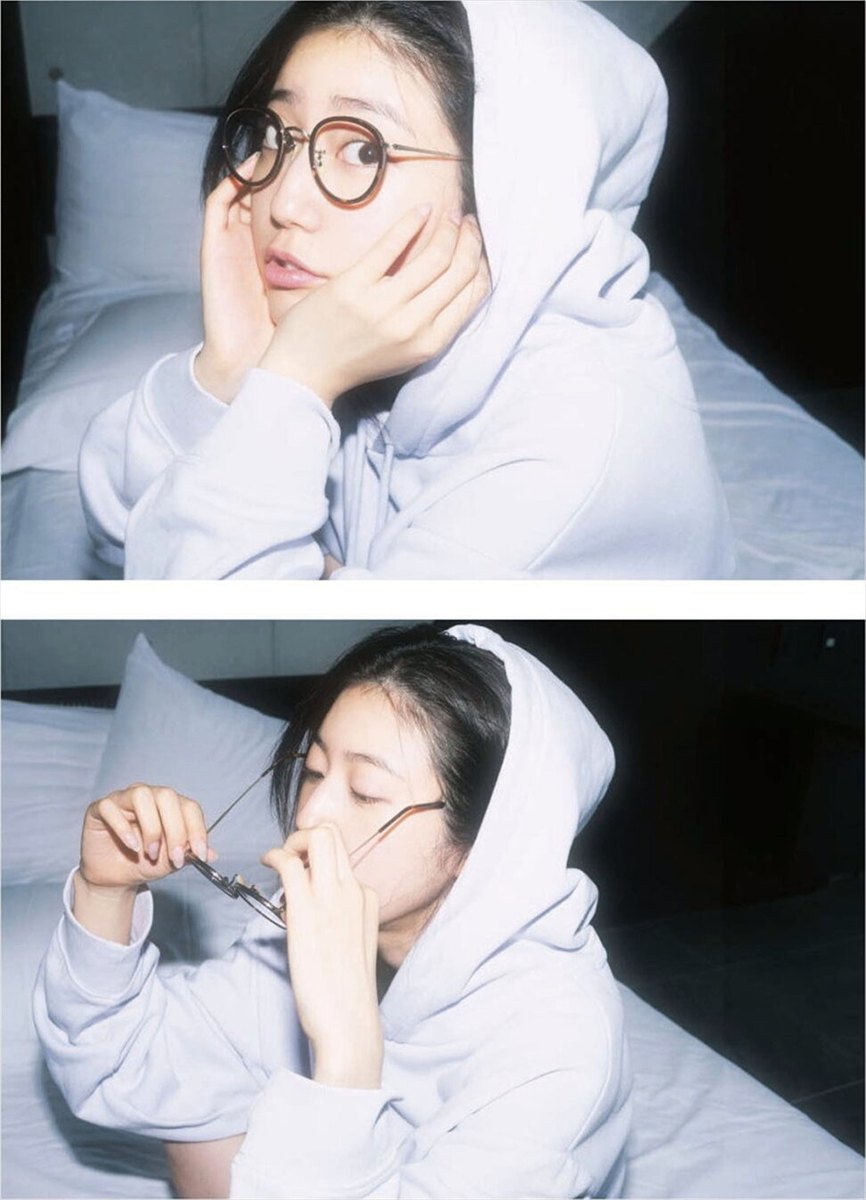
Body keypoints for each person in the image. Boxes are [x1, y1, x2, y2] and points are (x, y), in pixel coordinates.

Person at [78, 0, 735, 580]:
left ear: (509, 189)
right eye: (277, 136)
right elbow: (127, 539)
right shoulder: (351, 335)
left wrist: (297, 382)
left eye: (363, 151)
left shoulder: (572, 456)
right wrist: (231, 375)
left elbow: (187, 581)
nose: (283, 202)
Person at [34, 624, 632, 1198]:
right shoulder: (298, 928)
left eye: (365, 792)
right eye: (314, 771)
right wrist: (104, 891)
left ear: (483, 845)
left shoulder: (558, 1052)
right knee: (197, 1125)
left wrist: (346, 1054)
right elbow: (127, 1068)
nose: (310, 815)